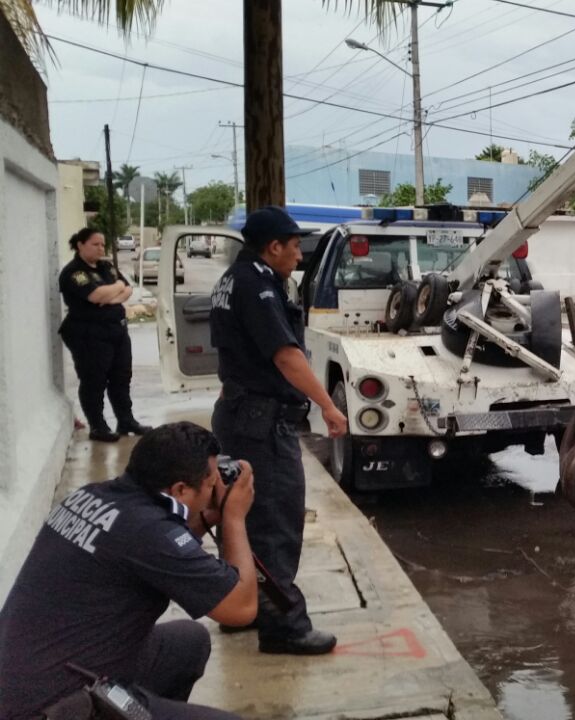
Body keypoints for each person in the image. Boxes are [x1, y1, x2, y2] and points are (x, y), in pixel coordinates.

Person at [0, 422, 258, 720]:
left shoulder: (94, 495)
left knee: (187, 641)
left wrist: (208, 518)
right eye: (212, 482)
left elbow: (156, 548)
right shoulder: (148, 532)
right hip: (55, 707)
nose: (217, 488)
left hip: (26, 677)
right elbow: (241, 607)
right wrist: (234, 518)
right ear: (181, 489)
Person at [209, 206, 347, 655]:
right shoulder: (258, 286)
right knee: (275, 524)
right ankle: (284, 626)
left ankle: (243, 606)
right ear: (273, 247)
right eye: (293, 247)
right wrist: (328, 406)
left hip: (238, 412)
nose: (298, 256)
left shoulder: (233, 278)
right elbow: (286, 356)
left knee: (240, 521)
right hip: (261, 422)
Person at [58, 228, 152, 443]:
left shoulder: (106, 267)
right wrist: (113, 290)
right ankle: (98, 426)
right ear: (80, 244)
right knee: (94, 380)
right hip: (88, 334)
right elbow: (95, 295)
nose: (100, 248)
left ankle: (125, 420)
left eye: (102, 244)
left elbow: (127, 289)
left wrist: (115, 291)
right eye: (95, 244)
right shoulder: (75, 272)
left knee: (121, 377)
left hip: (116, 330)